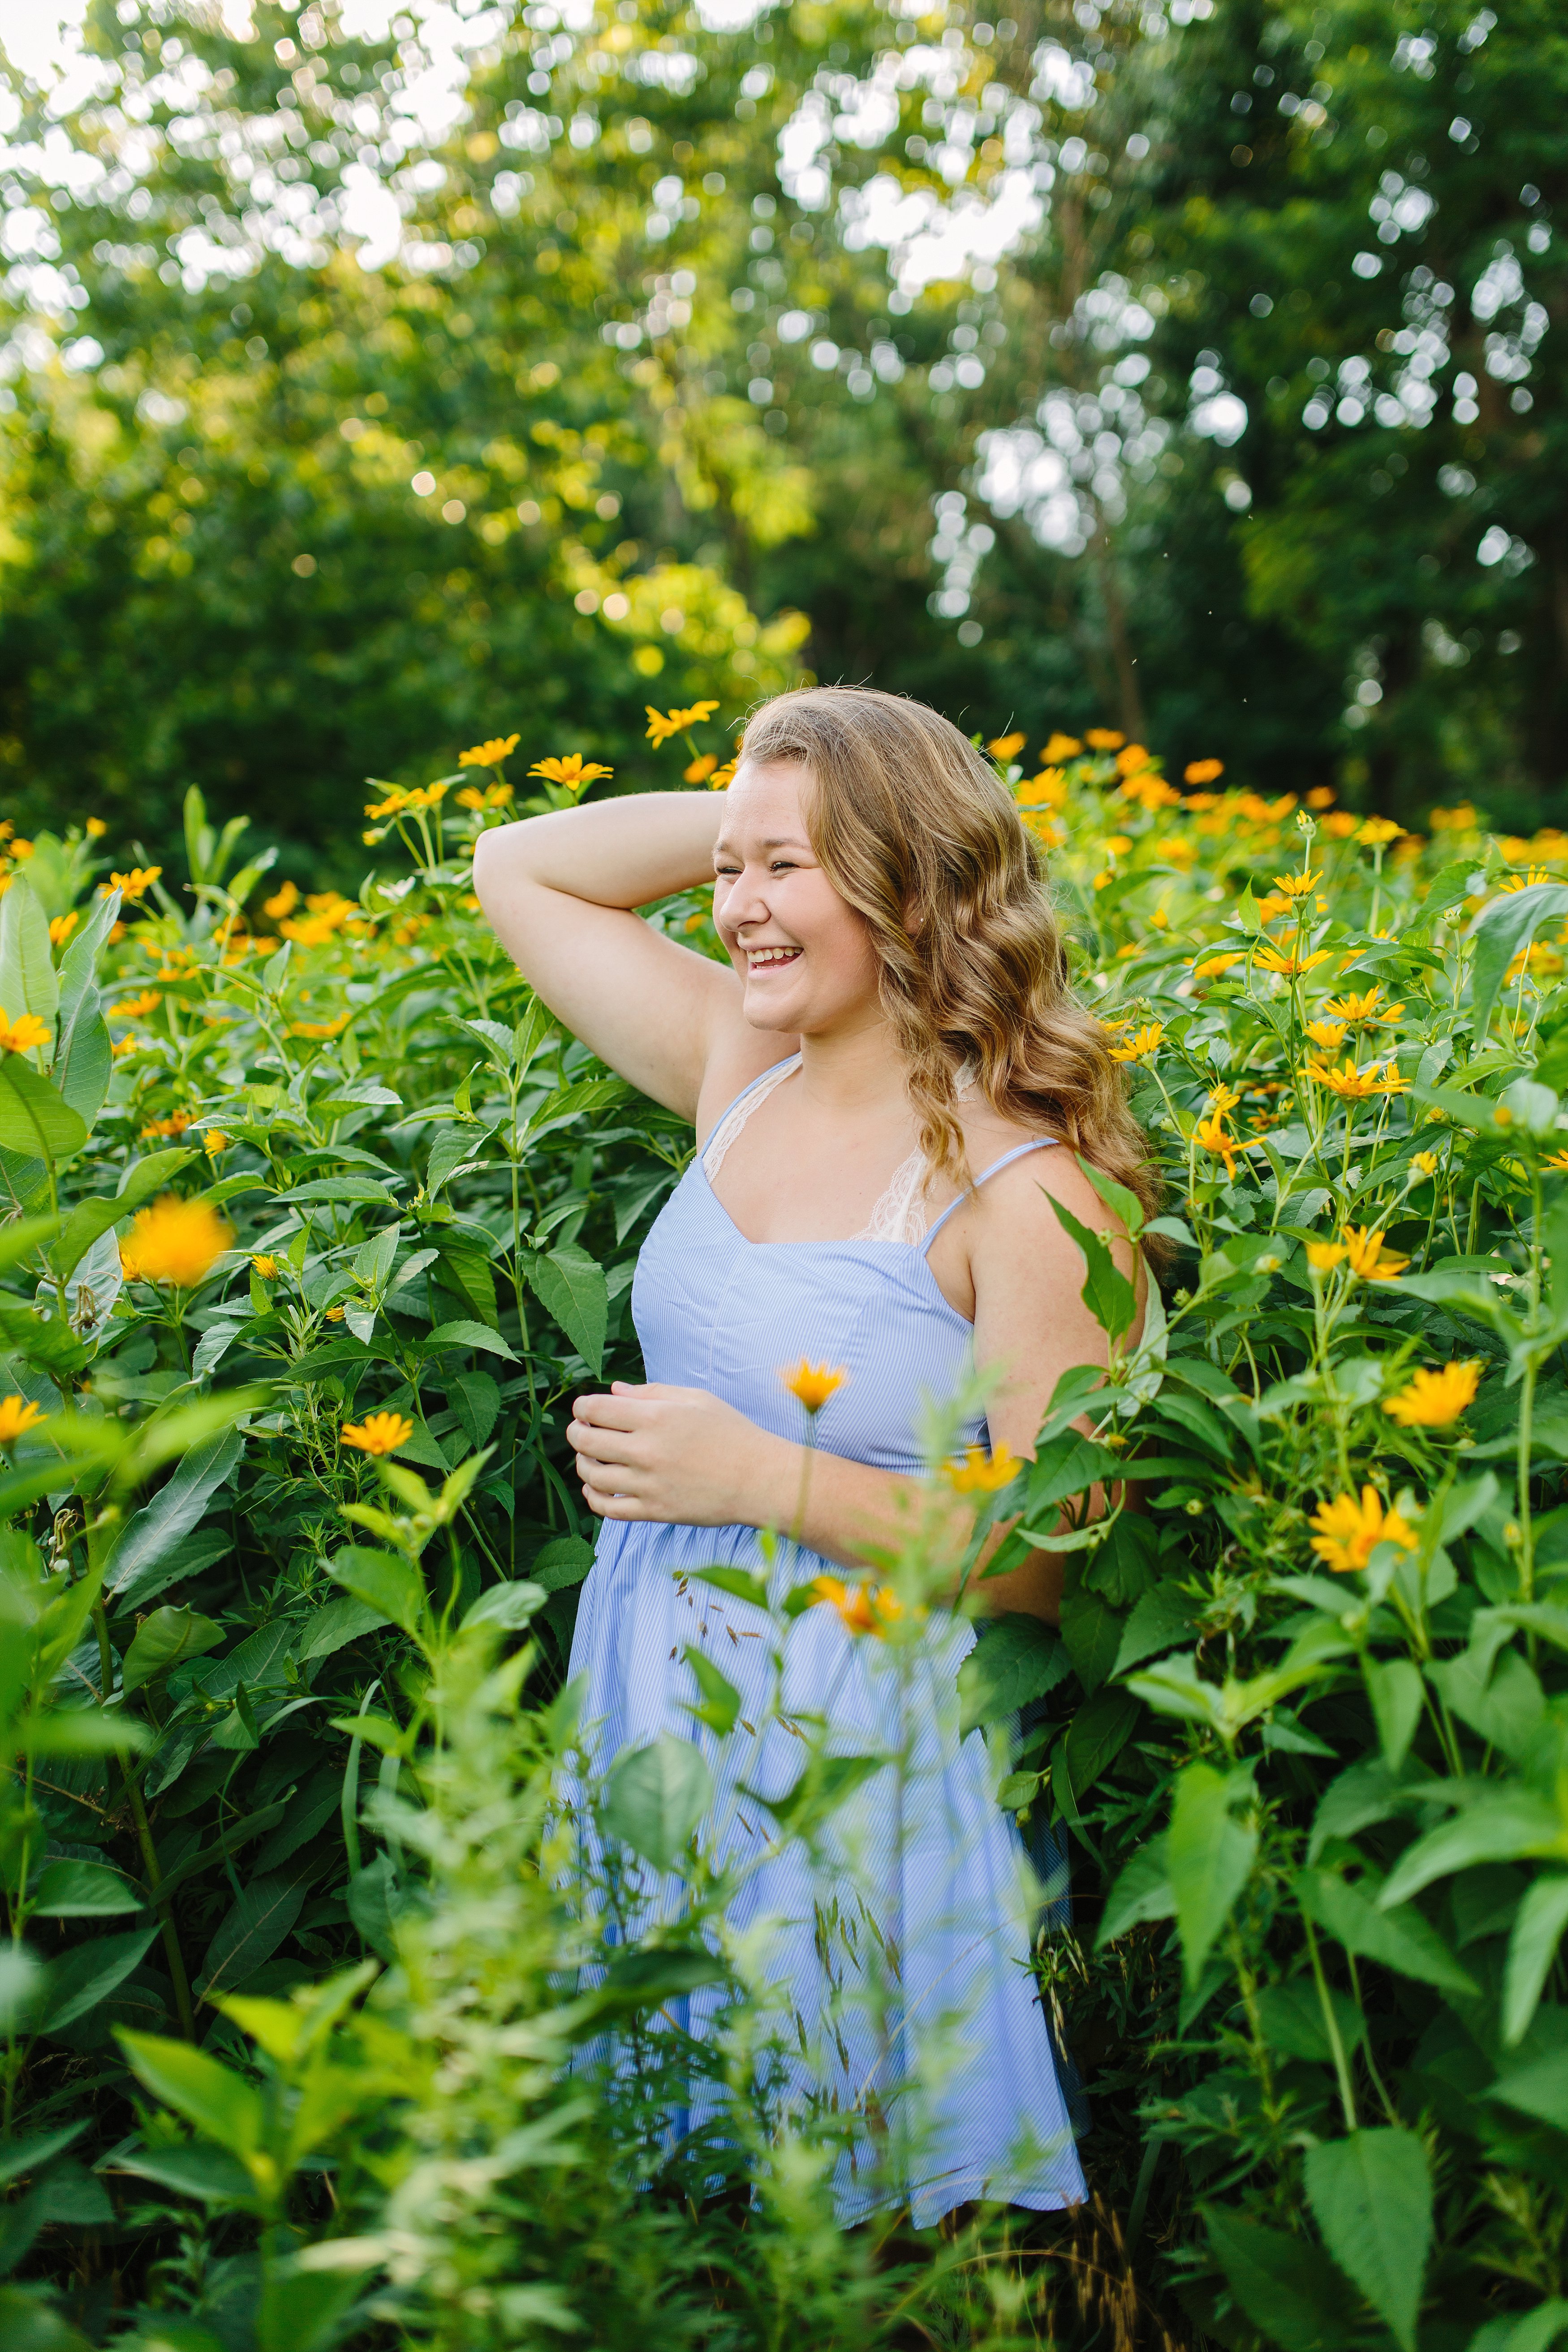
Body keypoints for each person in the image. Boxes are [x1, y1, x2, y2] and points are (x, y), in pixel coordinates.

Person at [473, 685, 1154, 2226]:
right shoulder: (740, 1062)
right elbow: (517, 863)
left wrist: (760, 1479)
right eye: (727, 869)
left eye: (787, 871)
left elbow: (1053, 1557)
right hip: (659, 1713)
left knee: (860, 2233)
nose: (735, 911)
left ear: (908, 881)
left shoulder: (1032, 1198)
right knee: (667, 2217)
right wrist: (761, 806)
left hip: (869, 1763)